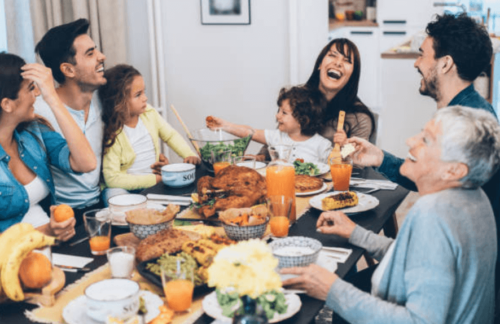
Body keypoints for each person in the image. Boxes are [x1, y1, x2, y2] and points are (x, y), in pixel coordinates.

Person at [282, 106, 500, 323]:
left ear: (454, 171)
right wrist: (356, 233)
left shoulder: (433, 213)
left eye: (426, 140)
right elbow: (417, 257)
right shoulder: (475, 197)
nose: (410, 141)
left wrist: (331, 289)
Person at [348, 12, 500, 297]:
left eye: (422, 54)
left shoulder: (465, 124)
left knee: (348, 288)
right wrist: (379, 157)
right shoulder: (464, 110)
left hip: (457, 279)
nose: (416, 63)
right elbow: (433, 175)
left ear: (445, 64)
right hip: (455, 263)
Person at [0, 53, 96, 241]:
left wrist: (52, 97)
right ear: (7, 104)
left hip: (52, 246)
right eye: (30, 88)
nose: (37, 93)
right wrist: (45, 232)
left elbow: (86, 163)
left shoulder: (34, 132)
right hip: (11, 260)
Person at [34, 19, 107, 226]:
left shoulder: (104, 99)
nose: (102, 57)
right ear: (68, 70)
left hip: (102, 205)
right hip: (62, 217)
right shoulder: (39, 112)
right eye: (90, 53)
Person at [256, 38, 376, 159]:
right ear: (320, 64)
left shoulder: (360, 118)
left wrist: (345, 146)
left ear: (352, 75)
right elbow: (280, 136)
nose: (338, 63)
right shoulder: (299, 99)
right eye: (332, 55)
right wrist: (261, 157)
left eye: (347, 61)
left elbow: (356, 156)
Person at [99, 64, 200, 201]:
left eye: (144, 92)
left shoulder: (149, 113)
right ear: (119, 102)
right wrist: (155, 179)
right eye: (138, 95)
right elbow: (112, 179)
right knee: (113, 195)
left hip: (153, 182)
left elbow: (170, 136)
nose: (145, 98)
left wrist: (188, 154)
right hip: (126, 187)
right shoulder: (113, 133)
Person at [207, 86, 332, 163]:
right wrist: (224, 126)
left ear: (303, 120)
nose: (277, 116)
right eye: (279, 111)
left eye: (284, 113)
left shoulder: (322, 145)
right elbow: (250, 132)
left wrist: (348, 152)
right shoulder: (277, 137)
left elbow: (336, 166)